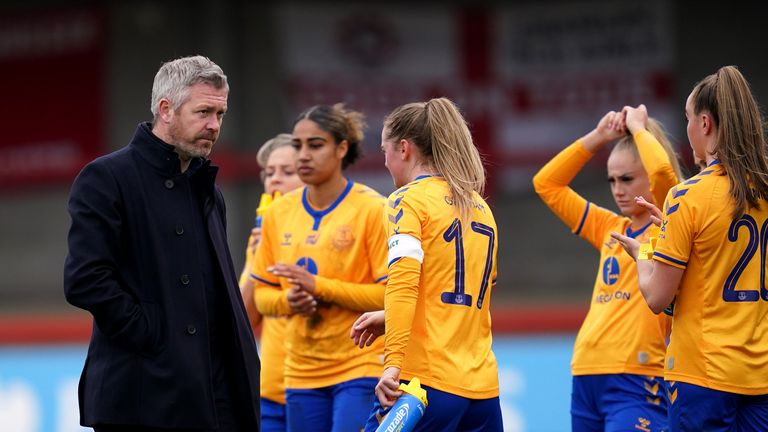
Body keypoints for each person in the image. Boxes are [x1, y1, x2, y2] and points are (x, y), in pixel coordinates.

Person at [63, 55, 260, 431]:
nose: (214, 126)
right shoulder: (106, 178)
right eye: (203, 112)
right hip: (143, 394)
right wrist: (153, 333)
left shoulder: (208, 190)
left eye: (220, 114)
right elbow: (85, 279)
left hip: (218, 395)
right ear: (166, 109)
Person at [612, 66, 768, 431]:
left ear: (704, 123)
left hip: (703, 375)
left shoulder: (688, 196)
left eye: (686, 119)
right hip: (760, 374)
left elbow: (656, 296)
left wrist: (644, 253)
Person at [352, 97, 503, 431]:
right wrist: (390, 318)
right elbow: (463, 291)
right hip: (481, 390)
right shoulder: (478, 206)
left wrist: (392, 365)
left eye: (384, 151)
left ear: (404, 149)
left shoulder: (406, 201)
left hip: (423, 386)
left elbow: (403, 284)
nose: (386, 162)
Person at [532, 105, 682, 431]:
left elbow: (664, 178)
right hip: (586, 372)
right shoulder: (609, 227)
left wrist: (640, 130)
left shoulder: (673, 224)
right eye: (612, 179)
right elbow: (547, 184)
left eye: (627, 179)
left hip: (639, 378)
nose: (617, 189)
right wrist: (598, 137)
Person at [249, 103, 388, 432]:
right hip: (300, 370)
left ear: (342, 148)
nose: (303, 156)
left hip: (360, 364)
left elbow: (390, 296)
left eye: (315, 145)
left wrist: (320, 287)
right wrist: (289, 302)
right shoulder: (278, 214)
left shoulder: (373, 209)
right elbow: (263, 296)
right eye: (298, 146)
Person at [238, 133, 303, 432]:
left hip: (327, 385)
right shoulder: (260, 238)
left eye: (287, 172)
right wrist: (255, 260)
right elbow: (243, 320)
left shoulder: (339, 229)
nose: (274, 180)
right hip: (271, 391)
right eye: (269, 173)